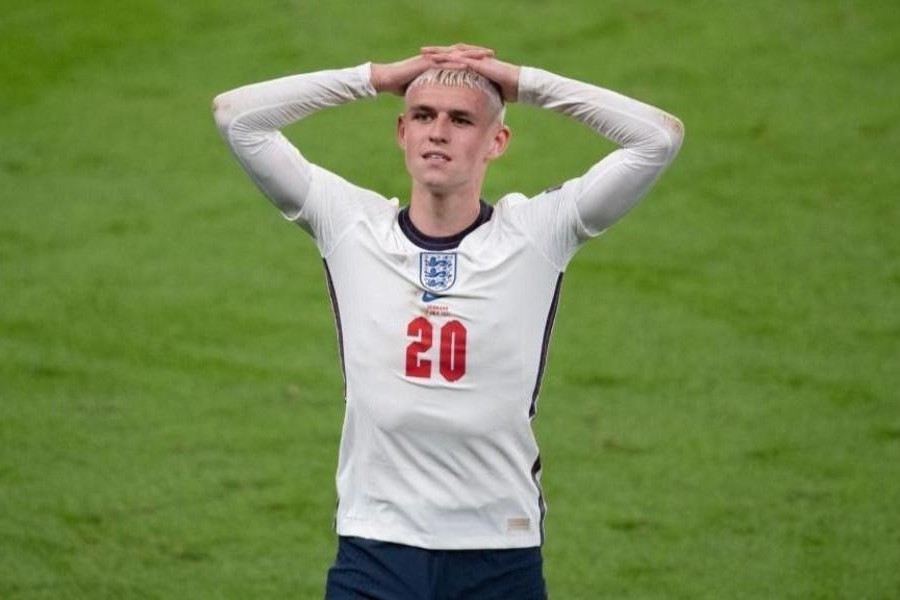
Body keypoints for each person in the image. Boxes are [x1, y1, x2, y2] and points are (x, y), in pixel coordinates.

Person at [213, 43, 683, 599]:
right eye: (423, 116)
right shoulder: (350, 225)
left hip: (499, 553)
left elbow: (659, 137)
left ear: (497, 142)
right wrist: (377, 77)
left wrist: (522, 82)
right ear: (402, 132)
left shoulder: (536, 233)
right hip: (374, 547)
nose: (438, 132)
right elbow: (236, 118)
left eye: (462, 120)